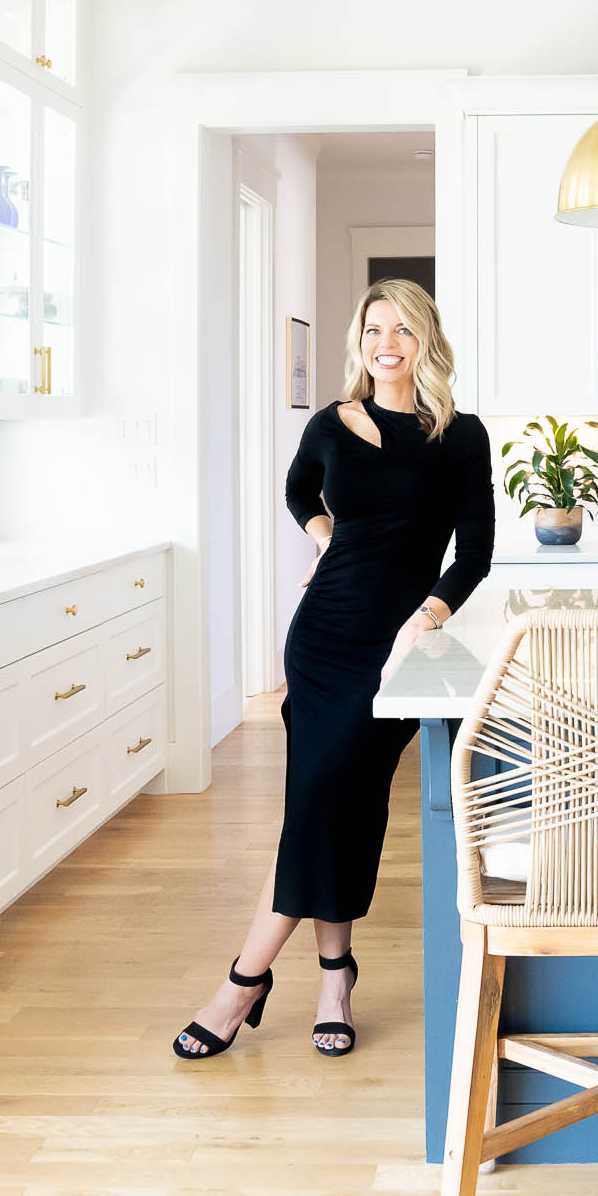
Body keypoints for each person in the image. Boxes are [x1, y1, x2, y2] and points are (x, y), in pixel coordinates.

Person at [175, 277, 493, 1059]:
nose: (387, 343)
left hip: (396, 653)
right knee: (326, 805)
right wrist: (323, 534)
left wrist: (425, 619)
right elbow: (295, 490)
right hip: (320, 642)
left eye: (403, 330)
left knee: (330, 804)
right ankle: (331, 976)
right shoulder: (330, 423)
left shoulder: (461, 435)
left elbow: (475, 556)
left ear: (426, 341)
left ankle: (245, 980)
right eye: (374, 329)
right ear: (359, 341)